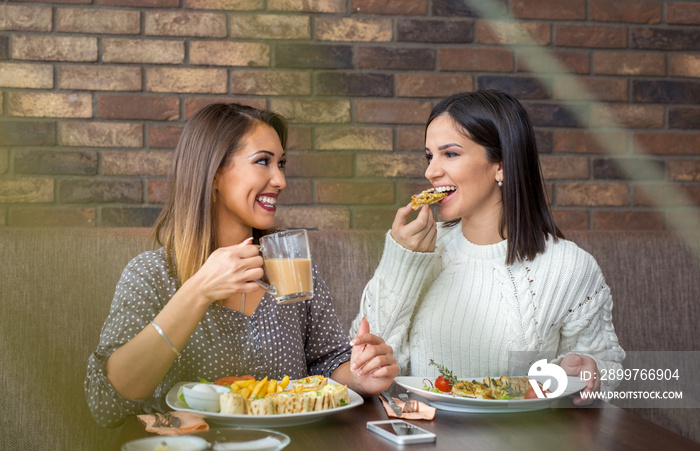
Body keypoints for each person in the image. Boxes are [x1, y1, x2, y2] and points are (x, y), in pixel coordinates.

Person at [85, 103, 398, 427]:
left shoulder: (290, 268)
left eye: (281, 164)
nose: (280, 179)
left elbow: (327, 362)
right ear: (215, 174)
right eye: (263, 161)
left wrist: (362, 375)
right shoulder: (152, 275)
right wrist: (198, 291)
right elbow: (106, 400)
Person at [350, 90, 625, 404]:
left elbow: (605, 363)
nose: (430, 172)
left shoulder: (571, 267)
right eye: (430, 156)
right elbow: (366, 362)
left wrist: (589, 369)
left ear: (502, 165)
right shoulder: (419, 250)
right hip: (425, 436)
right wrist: (402, 264)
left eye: (449, 154)